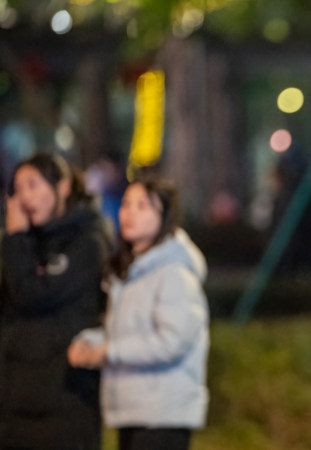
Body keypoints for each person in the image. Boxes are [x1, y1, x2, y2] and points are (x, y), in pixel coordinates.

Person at [68, 176, 209, 450]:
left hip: (163, 414)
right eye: (126, 204)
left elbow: (172, 342)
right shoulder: (131, 272)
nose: (129, 213)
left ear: (165, 216)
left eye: (143, 206)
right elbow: (125, 333)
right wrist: (91, 344)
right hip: (135, 410)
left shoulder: (174, 273)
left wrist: (109, 352)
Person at [0, 153, 111, 449]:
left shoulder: (87, 241)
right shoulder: (24, 245)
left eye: (33, 185)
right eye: (18, 189)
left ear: (62, 187)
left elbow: (34, 295)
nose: (25, 197)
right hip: (16, 410)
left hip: (65, 406)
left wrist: (15, 238)